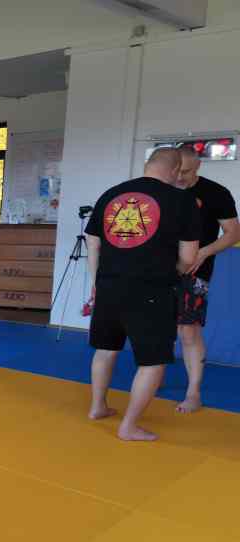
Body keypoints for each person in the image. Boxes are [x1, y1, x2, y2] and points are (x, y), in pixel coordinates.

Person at [85, 147, 200, 441]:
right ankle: (129, 426)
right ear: (174, 170)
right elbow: (189, 257)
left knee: (106, 349)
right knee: (153, 361)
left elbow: (93, 242)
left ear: (148, 164)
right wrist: (172, 271)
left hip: (109, 285)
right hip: (152, 288)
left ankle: (97, 407)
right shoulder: (182, 200)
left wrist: (97, 282)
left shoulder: (111, 194)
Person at [174, 147, 239, 413]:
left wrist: (204, 252)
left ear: (198, 166)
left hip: (195, 271)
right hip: (159, 270)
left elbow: (233, 232)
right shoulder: (164, 189)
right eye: (177, 171)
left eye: (186, 171)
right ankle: (153, 376)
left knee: (188, 330)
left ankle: (194, 392)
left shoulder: (215, 192)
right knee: (157, 327)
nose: (180, 177)